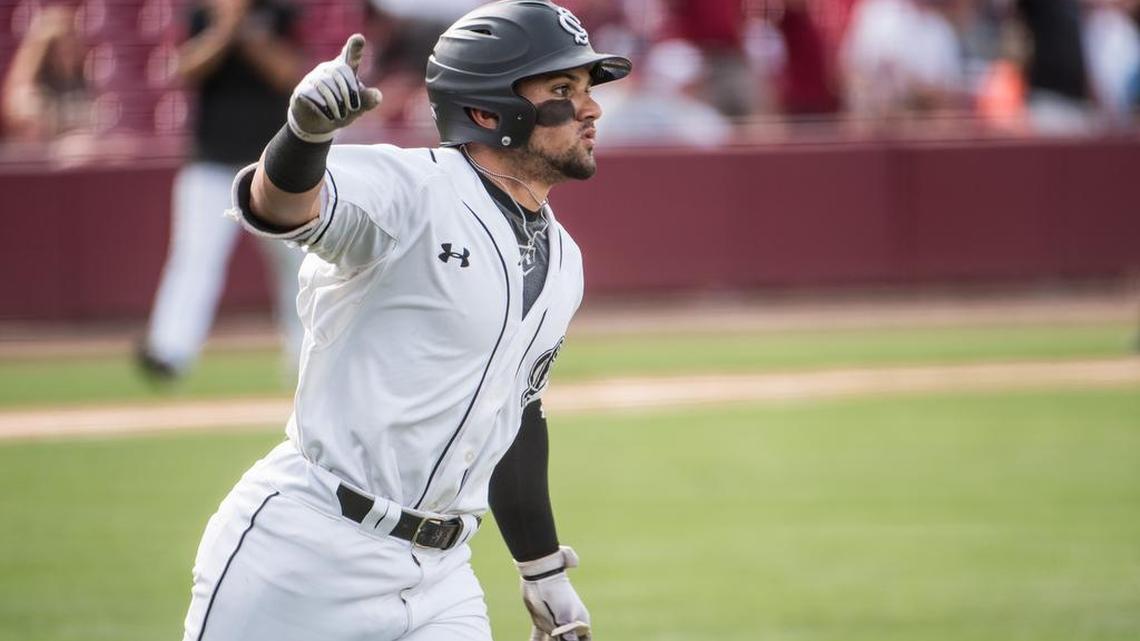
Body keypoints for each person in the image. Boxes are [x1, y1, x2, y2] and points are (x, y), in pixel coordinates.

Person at [180, 2, 631, 640]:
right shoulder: (410, 188)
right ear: (488, 112)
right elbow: (279, 206)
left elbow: (512, 414)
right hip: (304, 551)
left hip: (442, 574)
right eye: (563, 89)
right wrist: (304, 135)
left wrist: (542, 570)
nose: (591, 110)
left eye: (587, 90)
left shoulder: (564, 259)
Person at [137, 0, 306, 381]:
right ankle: (169, 351)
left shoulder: (279, 12)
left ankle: (305, 353)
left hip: (271, 166)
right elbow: (186, 69)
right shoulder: (201, 14)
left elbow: (287, 72)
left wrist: (244, 29)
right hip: (210, 164)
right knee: (194, 259)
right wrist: (224, 28)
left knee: (296, 264)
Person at [1, 4, 92, 141]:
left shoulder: (87, 80)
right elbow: (22, 119)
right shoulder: (29, 86)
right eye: (59, 46)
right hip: (39, 155)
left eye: (72, 41)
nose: (68, 50)